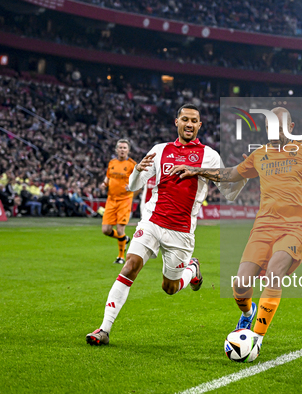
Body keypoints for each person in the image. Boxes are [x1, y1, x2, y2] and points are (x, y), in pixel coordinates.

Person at [170, 107, 302, 352]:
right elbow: (230, 174)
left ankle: (256, 339)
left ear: (291, 128)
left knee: (274, 273)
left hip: (296, 228)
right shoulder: (259, 155)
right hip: (263, 228)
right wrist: (197, 171)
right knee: (240, 286)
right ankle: (248, 313)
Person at [86, 104, 242, 346]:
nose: (189, 124)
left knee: (169, 288)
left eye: (194, 121)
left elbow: (229, 191)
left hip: (181, 232)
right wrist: (137, 171)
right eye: (185, 119)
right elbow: (133, 185)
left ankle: (192, 270)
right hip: (152, 221)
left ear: (200, 126)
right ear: (176, 122)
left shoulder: (209, 155)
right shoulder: (160, 150)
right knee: (130, 266)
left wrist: (201, 171)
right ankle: (104, 329)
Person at [100, 139, 137, 264]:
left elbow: (138, 181)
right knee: (105, 230)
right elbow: (108, 176)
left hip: (125, 200)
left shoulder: (132, 165)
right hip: (111, 199)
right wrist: (104, 184)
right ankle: (124, 239)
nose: (122, 150)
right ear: (116, 149)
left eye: (124, 148)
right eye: (120, 147)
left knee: (120, 228)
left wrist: (132, 187)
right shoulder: (112, 163)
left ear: (128, 150)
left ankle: (121, 257)